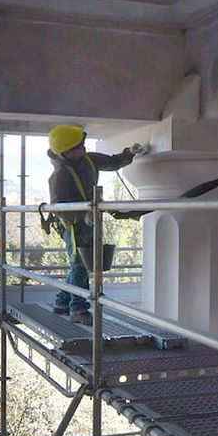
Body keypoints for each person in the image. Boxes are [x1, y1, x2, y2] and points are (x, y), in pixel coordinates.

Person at [47, 125, 144, 325]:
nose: (83, 149)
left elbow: (112, 162)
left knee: (80, 264)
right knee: (81, 264)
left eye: (82, 146)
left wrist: (129, 153)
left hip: (88, 220)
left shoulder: (88, 160)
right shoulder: (60, 175)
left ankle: (62, 302)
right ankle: (78, 309)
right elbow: (57, 207)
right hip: (72, 226)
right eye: (78, 148)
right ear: (66, 153)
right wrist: (83, 215)